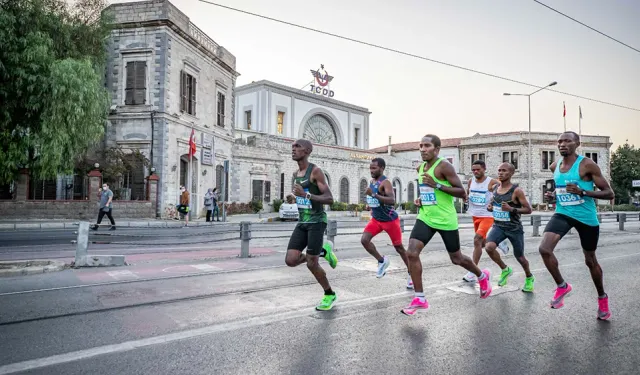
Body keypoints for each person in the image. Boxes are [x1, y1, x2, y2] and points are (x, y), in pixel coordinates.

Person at [402, 134, 492, 316]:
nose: (422, 149)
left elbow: (460, 192)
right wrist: (422, 199)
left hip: (445, 219)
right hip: (426, 217)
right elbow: (427, 190)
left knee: (456, 258)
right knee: (411, 252)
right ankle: (420, 298)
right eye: (420, 145)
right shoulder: (420, 168)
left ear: (436, 149)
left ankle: (482, 276)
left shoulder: (444, 166)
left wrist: (437, 185)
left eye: (427, 146)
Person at [539, 131, 614, 320]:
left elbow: (609, 193)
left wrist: (583, 192)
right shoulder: (554, 166)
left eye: (567, 141)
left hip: (586, 217)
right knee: (544, 249)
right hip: (563, 213)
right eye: (559, 141)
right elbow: (562, 189)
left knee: (590, 260)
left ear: (577, 143)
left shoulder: (587, 165)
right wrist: (554, 196)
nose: (562, 144)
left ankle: (602, 298)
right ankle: (562, 286)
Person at [285, 139, 339, 311]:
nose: (293, 149)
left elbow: (330, 199)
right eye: (292, 147)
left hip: (316, 222)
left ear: (307, 151)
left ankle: (329, 294)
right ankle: (323, 251)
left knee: (311, 263)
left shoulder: (315, 171)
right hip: (302, 222)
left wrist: (306, 196)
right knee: (291, 260)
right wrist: (295, 198)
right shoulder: (295, 174)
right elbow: (302, 195)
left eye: (297, 147)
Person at [361, 157, 412, 288]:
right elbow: (376, 200)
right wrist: (370, 205)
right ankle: (382, 261)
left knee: (399, 248)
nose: (371, 170)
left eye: (374, 168)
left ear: (382, 168)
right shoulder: (372, 181)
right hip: (376, 220)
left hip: (390, 220)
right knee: (364, 240)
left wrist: (373, 195)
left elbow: (391, 200)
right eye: (370, 168)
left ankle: (411, 273)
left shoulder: (386, 182)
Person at [485, 163, 535, 292]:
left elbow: (528, 210)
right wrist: (490, 207)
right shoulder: (495, 188)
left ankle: (529, 277)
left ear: (511, 173)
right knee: (489, 247)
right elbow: (493, 203)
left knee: (520, 257)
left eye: (504, 171)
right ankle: (505, 269)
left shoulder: (516, 191)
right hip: (498, 226)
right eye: (499, 170)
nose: (500, 173)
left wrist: (511, 209)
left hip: (514, 228)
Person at [462, 160, 510, 282]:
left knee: (477, 240)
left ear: (484, 169)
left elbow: (504, 189)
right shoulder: (471, 181)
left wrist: (494, 197)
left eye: (478, 169)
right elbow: (469, 193)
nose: (475, 172)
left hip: (487, 216)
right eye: (473, 170)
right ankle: (498, 244)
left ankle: (473, 272)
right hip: (475, 215)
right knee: (482, 243)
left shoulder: (491, 182)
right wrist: (466, 197)